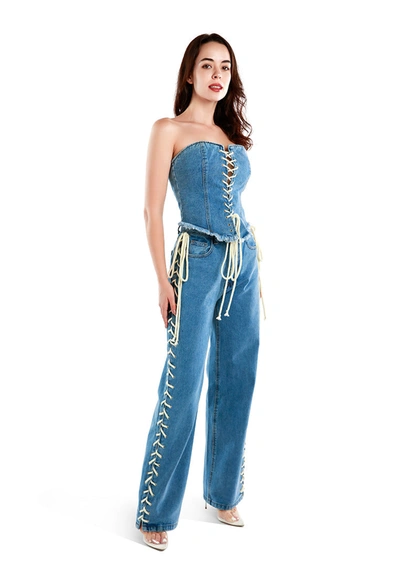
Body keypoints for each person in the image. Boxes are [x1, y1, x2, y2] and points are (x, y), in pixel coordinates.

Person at [135, 32, 265, 551]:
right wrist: (162, 280)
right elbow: (152, 211)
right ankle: (156, 508)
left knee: (238, 377)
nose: (217, 75)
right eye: (207, 65)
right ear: (190, 73)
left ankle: (223, 492)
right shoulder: (168, 129)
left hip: (244, 263)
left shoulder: (232, 137)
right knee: (182, 383)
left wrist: (254, 271)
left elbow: (239, 208)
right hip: (196, 262)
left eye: (225, 67)